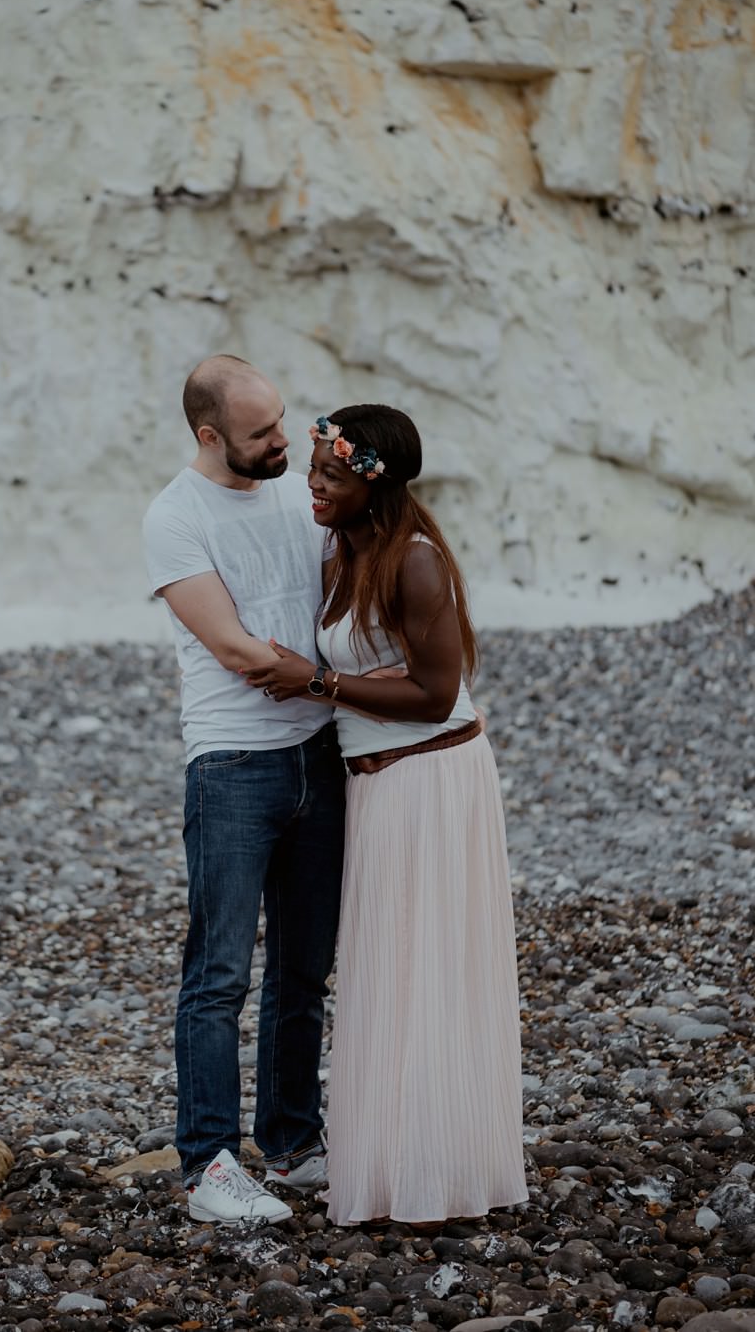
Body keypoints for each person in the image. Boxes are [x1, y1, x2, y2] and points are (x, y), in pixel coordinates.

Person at [246, 403, 528, 1227]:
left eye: (331, 475)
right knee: (385, 971)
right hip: (373, 787)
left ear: (372, 483)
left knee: (429, 968)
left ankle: (440, 1170)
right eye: (314, 470)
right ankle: (395, 1162)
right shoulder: (344, 549)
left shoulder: (414, 563)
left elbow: (436, 694)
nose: (314, 485)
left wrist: (317, 682)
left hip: (434, 780)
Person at [141, 355, 346, 1225]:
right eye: (262, 432)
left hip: (321, 755)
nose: (282, 442)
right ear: (209, 435)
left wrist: (313, 684)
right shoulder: (174, 516)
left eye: (283, 422)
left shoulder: (301, 491)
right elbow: (234, 649)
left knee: (303, 971)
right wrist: (309, 673)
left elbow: (343, 605)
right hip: (231, 764)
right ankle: (209, 1167)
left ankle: (294, 1142)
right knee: (218, 974)